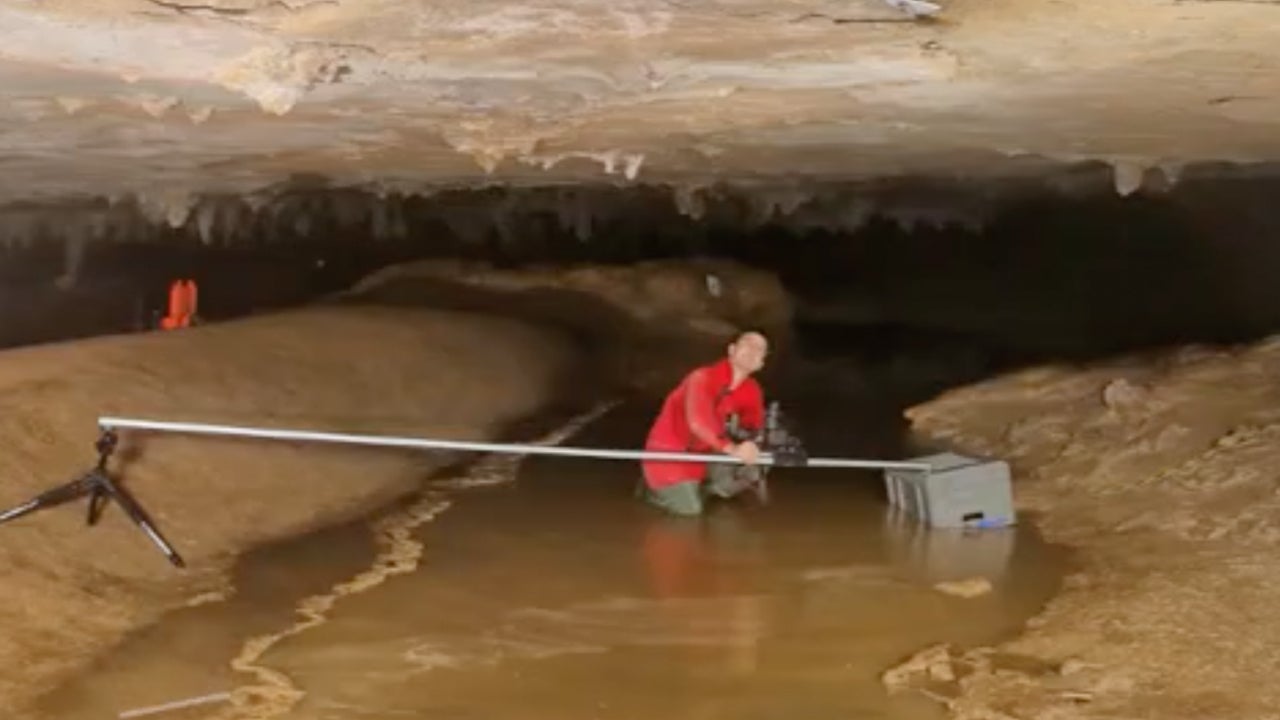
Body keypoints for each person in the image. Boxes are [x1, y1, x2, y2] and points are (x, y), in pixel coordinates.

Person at [638, 330, 770, 516]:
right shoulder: (701, 378)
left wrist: (753, 443)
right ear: (732, 350)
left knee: (757, 462)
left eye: (760, 349)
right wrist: (733, 449)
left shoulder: (752, 390)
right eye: (747, 343)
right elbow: (698, 423)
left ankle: (705, 489)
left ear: (761, 363)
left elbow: (753, 425)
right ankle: (649, 492)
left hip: (705, 454)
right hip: (669, 453)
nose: (752, 350)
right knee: (690, 512)